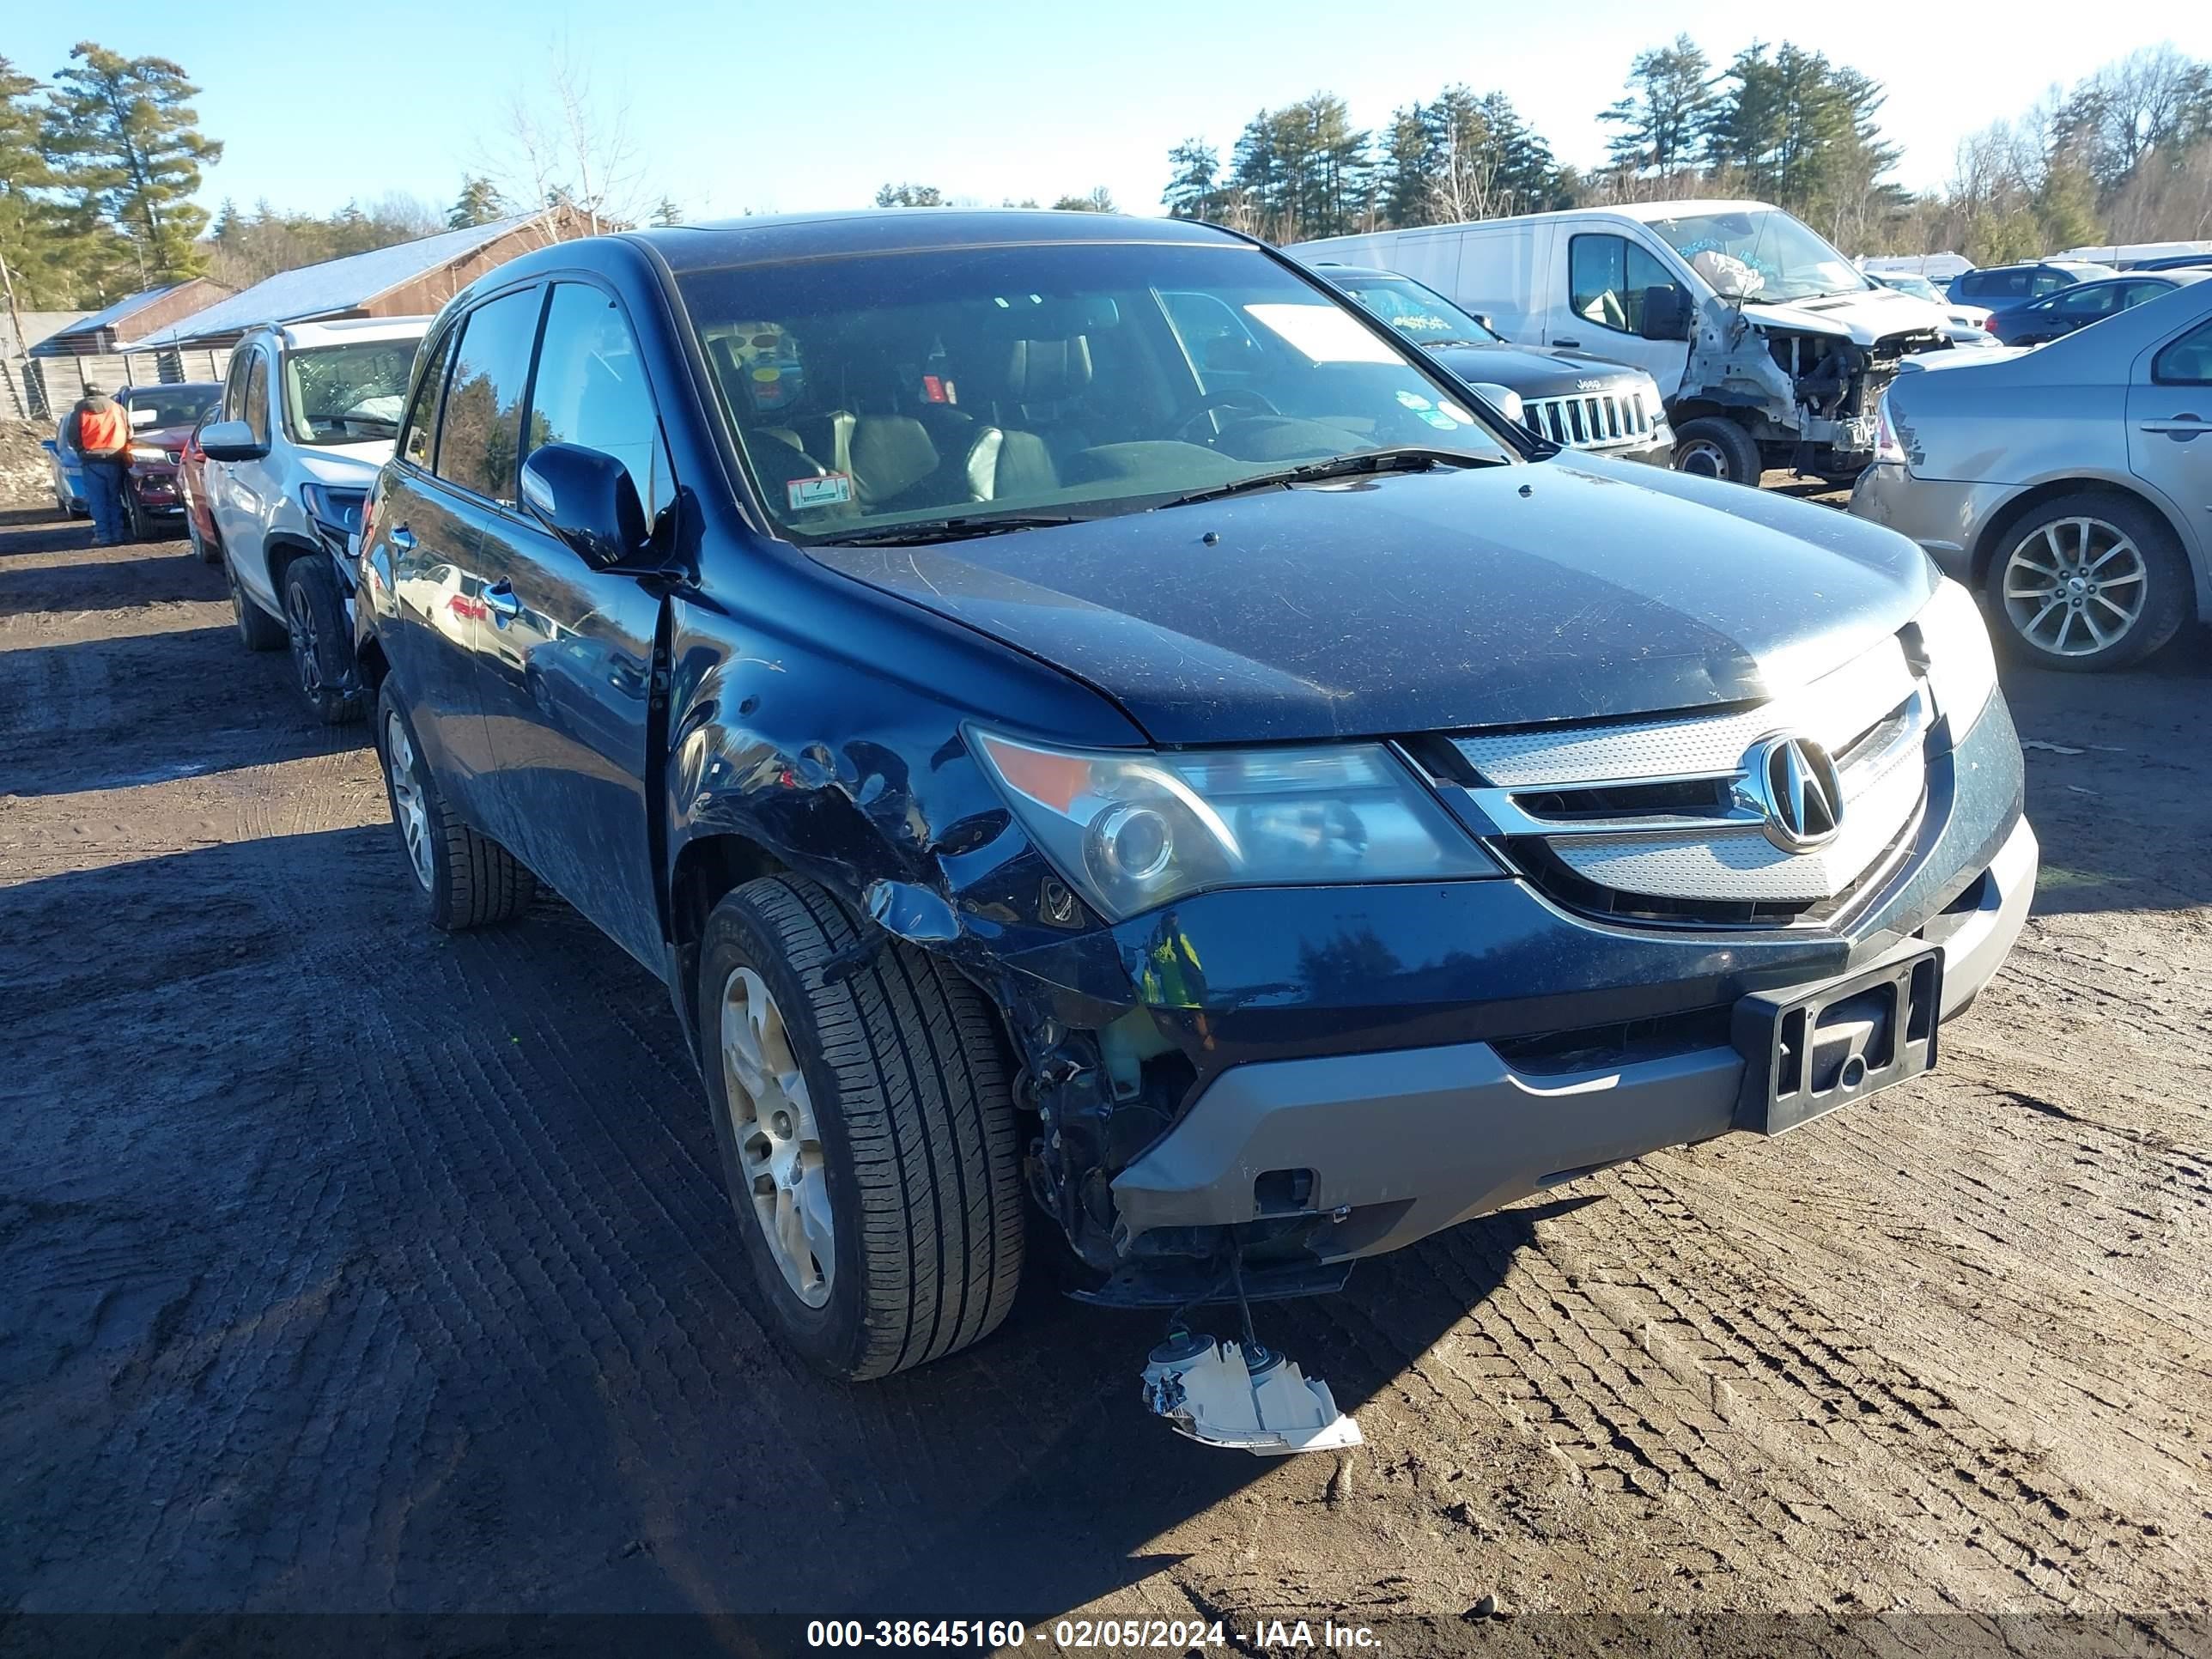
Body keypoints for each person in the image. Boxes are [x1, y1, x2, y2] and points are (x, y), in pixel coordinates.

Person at [67, 384, 134, 545]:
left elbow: (73, 436)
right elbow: (130, 432)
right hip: (115, 458)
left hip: (91, 460)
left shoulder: (79, 411)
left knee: (97, 500)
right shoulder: (118, 409)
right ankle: (117, 534)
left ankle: (103, 536)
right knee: (114, 498)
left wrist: (81, 451)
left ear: (85, 394)